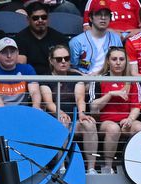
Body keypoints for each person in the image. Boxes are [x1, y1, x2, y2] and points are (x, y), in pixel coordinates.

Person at [79, 45, 141, 173]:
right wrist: (110, 94)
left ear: (126, 61)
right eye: (114, 59)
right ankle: (108, 167)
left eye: (121, 59)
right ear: (108, 61)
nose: (118, 62)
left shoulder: (133, 81)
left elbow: (136, 107)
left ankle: (136, 167)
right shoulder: (99, 80)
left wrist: (130, 119)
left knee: (140, 128)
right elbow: (93, 106)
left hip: (126, 120)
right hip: (104, 122)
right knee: (113, 128)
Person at [42, 43, 100, 171]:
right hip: (54, 118)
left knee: (89, 124)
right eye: (59, 59)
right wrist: (61, 113)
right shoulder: (45, 77)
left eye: (67, 58)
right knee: (62, 124)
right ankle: (61, 167)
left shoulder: (76, 77)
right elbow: (49, 103)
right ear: (51, 61)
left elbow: (80, 99)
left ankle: (91, 168)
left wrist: (82, 113)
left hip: (74, 119)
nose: (63, 61)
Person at [0, 37, 42, 107]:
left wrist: (36, 107)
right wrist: (5, 111)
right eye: (4, 52)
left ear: (17, 53)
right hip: (0, 111)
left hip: (22, 111)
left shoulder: (27, 69)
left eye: (12, 52)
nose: (9, 56)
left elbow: (35, 92)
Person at [71, 0, 125, 74]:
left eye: (106, 15)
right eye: (98, 14)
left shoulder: (116, 39)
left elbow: (120, 64)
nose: (103, 17)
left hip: (108, 78)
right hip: (83, 78)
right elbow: (71, 68)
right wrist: (83, 76)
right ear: (90, 18)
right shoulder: (76, 41)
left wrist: (99, 73)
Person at [16, 3, 70, 75]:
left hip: (53, 78)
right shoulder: (20, 38)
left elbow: (65, 64)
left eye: (44, 17)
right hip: (29, 78)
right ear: (28, 19)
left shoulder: (59, 38)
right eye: (35, 18)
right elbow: (21, 67)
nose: (40, 20)